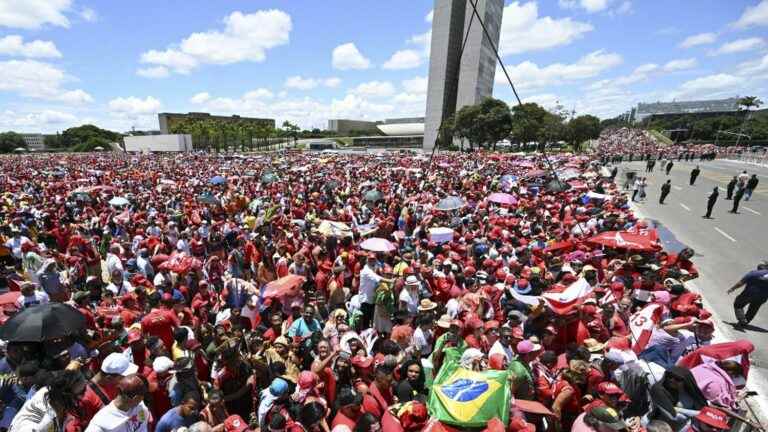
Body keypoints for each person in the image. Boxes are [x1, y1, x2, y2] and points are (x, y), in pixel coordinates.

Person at [10, 370, 87, 432]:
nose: (84, 395)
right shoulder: (41, 425)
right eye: (81, 392)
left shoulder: (49, 391)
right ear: (66, 395)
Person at [85, 374, 150, 432]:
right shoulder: (99, 424)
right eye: (143, 396)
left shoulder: (141, 408)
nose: (143, 399)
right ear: (136, 398)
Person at [727, 260, 768, 328]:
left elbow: (741, 283)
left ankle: (742, 319)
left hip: (749, 294)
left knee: (738, 304)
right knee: (753, 309)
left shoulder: (754, 273)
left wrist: (732, 289)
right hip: (762, 297)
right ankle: (744, 323)